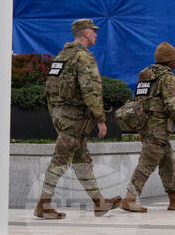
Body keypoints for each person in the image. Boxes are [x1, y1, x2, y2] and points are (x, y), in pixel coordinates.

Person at [35, 19, 121, 219]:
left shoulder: (61, 56)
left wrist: (56, 113)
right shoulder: (83, 57)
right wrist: (100, 119)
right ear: (85, 34)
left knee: (82, 159)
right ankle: (43, 204)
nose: (96, 34)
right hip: (74, 118)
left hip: (61, 115)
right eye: (94, 31)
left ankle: (98, 202)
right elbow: (91, 90)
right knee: (61, 159)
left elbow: (49, 89)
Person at [121, 42, 175, 213]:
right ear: (170, 62)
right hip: (158, 128)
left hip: (145, 126)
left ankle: (174, 199)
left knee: (167, 162)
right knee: (146, 163)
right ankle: (129, 198)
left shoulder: (146, 77)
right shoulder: (168, 79)